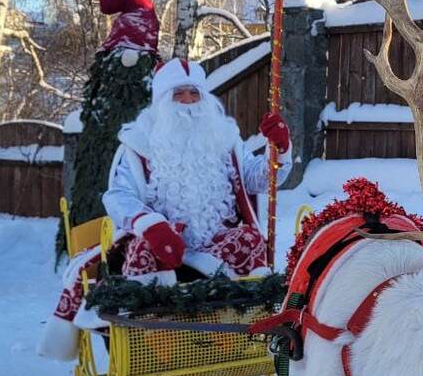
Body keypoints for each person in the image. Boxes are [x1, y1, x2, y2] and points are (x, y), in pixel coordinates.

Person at [39, 58, 292, 360]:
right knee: (141, 250)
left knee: (249, 240)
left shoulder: (224, 139)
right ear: (161, 100)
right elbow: (118, 196)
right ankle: (156, 346)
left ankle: (234, 335)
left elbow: (259, 179)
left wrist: (279, 150)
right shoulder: (138, 144)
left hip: (213, 247)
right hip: (163, 245)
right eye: (177, 93)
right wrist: (151, 225)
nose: (187, 102)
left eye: (194, 93)